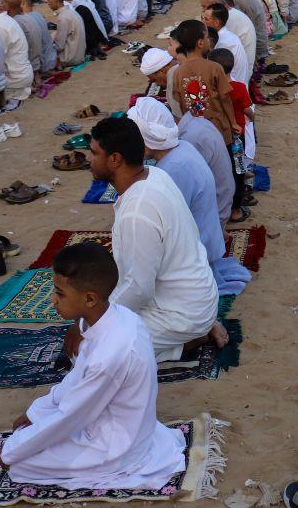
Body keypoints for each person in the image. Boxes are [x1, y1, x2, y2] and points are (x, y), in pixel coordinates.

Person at [0, 243, 186, 489]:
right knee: (28, 435)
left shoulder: (110, 354)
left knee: (20, 464)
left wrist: (12, 453)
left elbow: (72, 416)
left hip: (116, 447)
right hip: (116, 422)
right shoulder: (117, 317)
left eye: (60, 293)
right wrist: (36, 412)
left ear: (89, 298)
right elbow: (78, 379)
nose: (53, 300)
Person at [83, 116, 226, 361]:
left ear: (115, 160)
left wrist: (96, 322)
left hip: (181, 314)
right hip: (195, 299)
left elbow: (138, 288)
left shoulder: (138, 210)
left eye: (94, 153)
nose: (88, 159)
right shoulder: (155, 175)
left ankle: (187, 339)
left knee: (88, 350)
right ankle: (192, 332)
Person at [127, 97, 251, 295]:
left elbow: (167, 225)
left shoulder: (173, 167)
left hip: (197, 252)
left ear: (146, 138)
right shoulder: (182, 148)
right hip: (208, 235)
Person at [45, 0, 87, 69]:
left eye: (49, 2)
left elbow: (59, 46)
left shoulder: (63, 17)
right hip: (80, 54)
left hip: (70, 58)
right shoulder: (71, 12)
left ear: (56, 0)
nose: (48, 4)